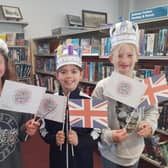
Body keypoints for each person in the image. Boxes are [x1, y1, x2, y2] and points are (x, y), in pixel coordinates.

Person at [92, 20, 159, 168]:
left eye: (130, 55)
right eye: (119, 55)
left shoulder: (144, 86)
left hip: (134, 152)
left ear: (137, 57)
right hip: (110, 153)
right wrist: (109, 135)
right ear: (111, 58)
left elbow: (152, 111)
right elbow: (95, 121)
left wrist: (149, 125)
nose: (124, 60)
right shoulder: (102, 87)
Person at [40, 44, 99, 168]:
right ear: (57, 75)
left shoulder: (88, 101)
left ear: (81, 75)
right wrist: (54, 139)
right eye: (63, 72)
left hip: (82, 162)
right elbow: (43, 130)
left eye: (74, 71)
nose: (69, 76)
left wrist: (80, 141)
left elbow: (98, 133)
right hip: (58, 161)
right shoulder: (50, 101)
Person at [0, 39, 40, 168]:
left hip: (11, 163)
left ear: (5, 65)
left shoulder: (17, 95)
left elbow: (23, 134)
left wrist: (28, 129)